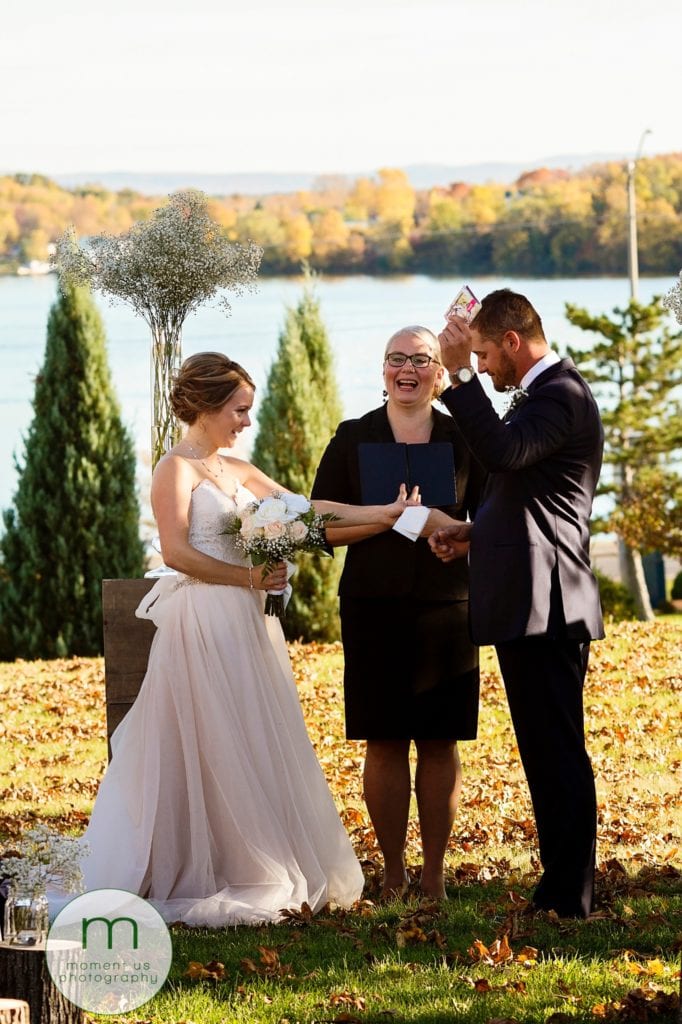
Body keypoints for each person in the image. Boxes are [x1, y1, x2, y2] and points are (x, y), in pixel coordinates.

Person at [80, 351, 412, 927]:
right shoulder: (174, 470)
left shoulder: (235, 467)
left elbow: (306, 511)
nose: (246, 421)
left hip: (249, 621)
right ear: (207, 406)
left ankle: (253, 853)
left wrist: (381, 514)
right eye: (239, 410)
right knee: (210, 738)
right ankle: (202, 863)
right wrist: (248, 578)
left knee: (253, 733)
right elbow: (175, 552)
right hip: (202, 619)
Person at [431, 288, 604, 918]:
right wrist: (476, 531)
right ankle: (559, 887)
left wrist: (456, 378)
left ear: (512, 340)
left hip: (549, 603)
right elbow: (534, 492)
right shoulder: (542, 396)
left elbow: (503, 452)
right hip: (530, 598)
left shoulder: (561, 394)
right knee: (542, 747)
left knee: (556, 748)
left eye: (483, 355)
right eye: (472, 359)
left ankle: (569, 895)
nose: (480, 367)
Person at [311, 326, 484, 900]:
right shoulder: (353, 436)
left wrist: (460, 537)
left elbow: (492, 520)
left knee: (439, 740)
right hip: (372, 605)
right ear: (383, 370)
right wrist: (385, 517)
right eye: (396, 359)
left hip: (446, 606)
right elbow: (318, 522)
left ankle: (433, 876)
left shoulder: (465, 438)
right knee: (383, 739)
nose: (407, 369)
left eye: (420, 359)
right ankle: (391, 873)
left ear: (439, 373)